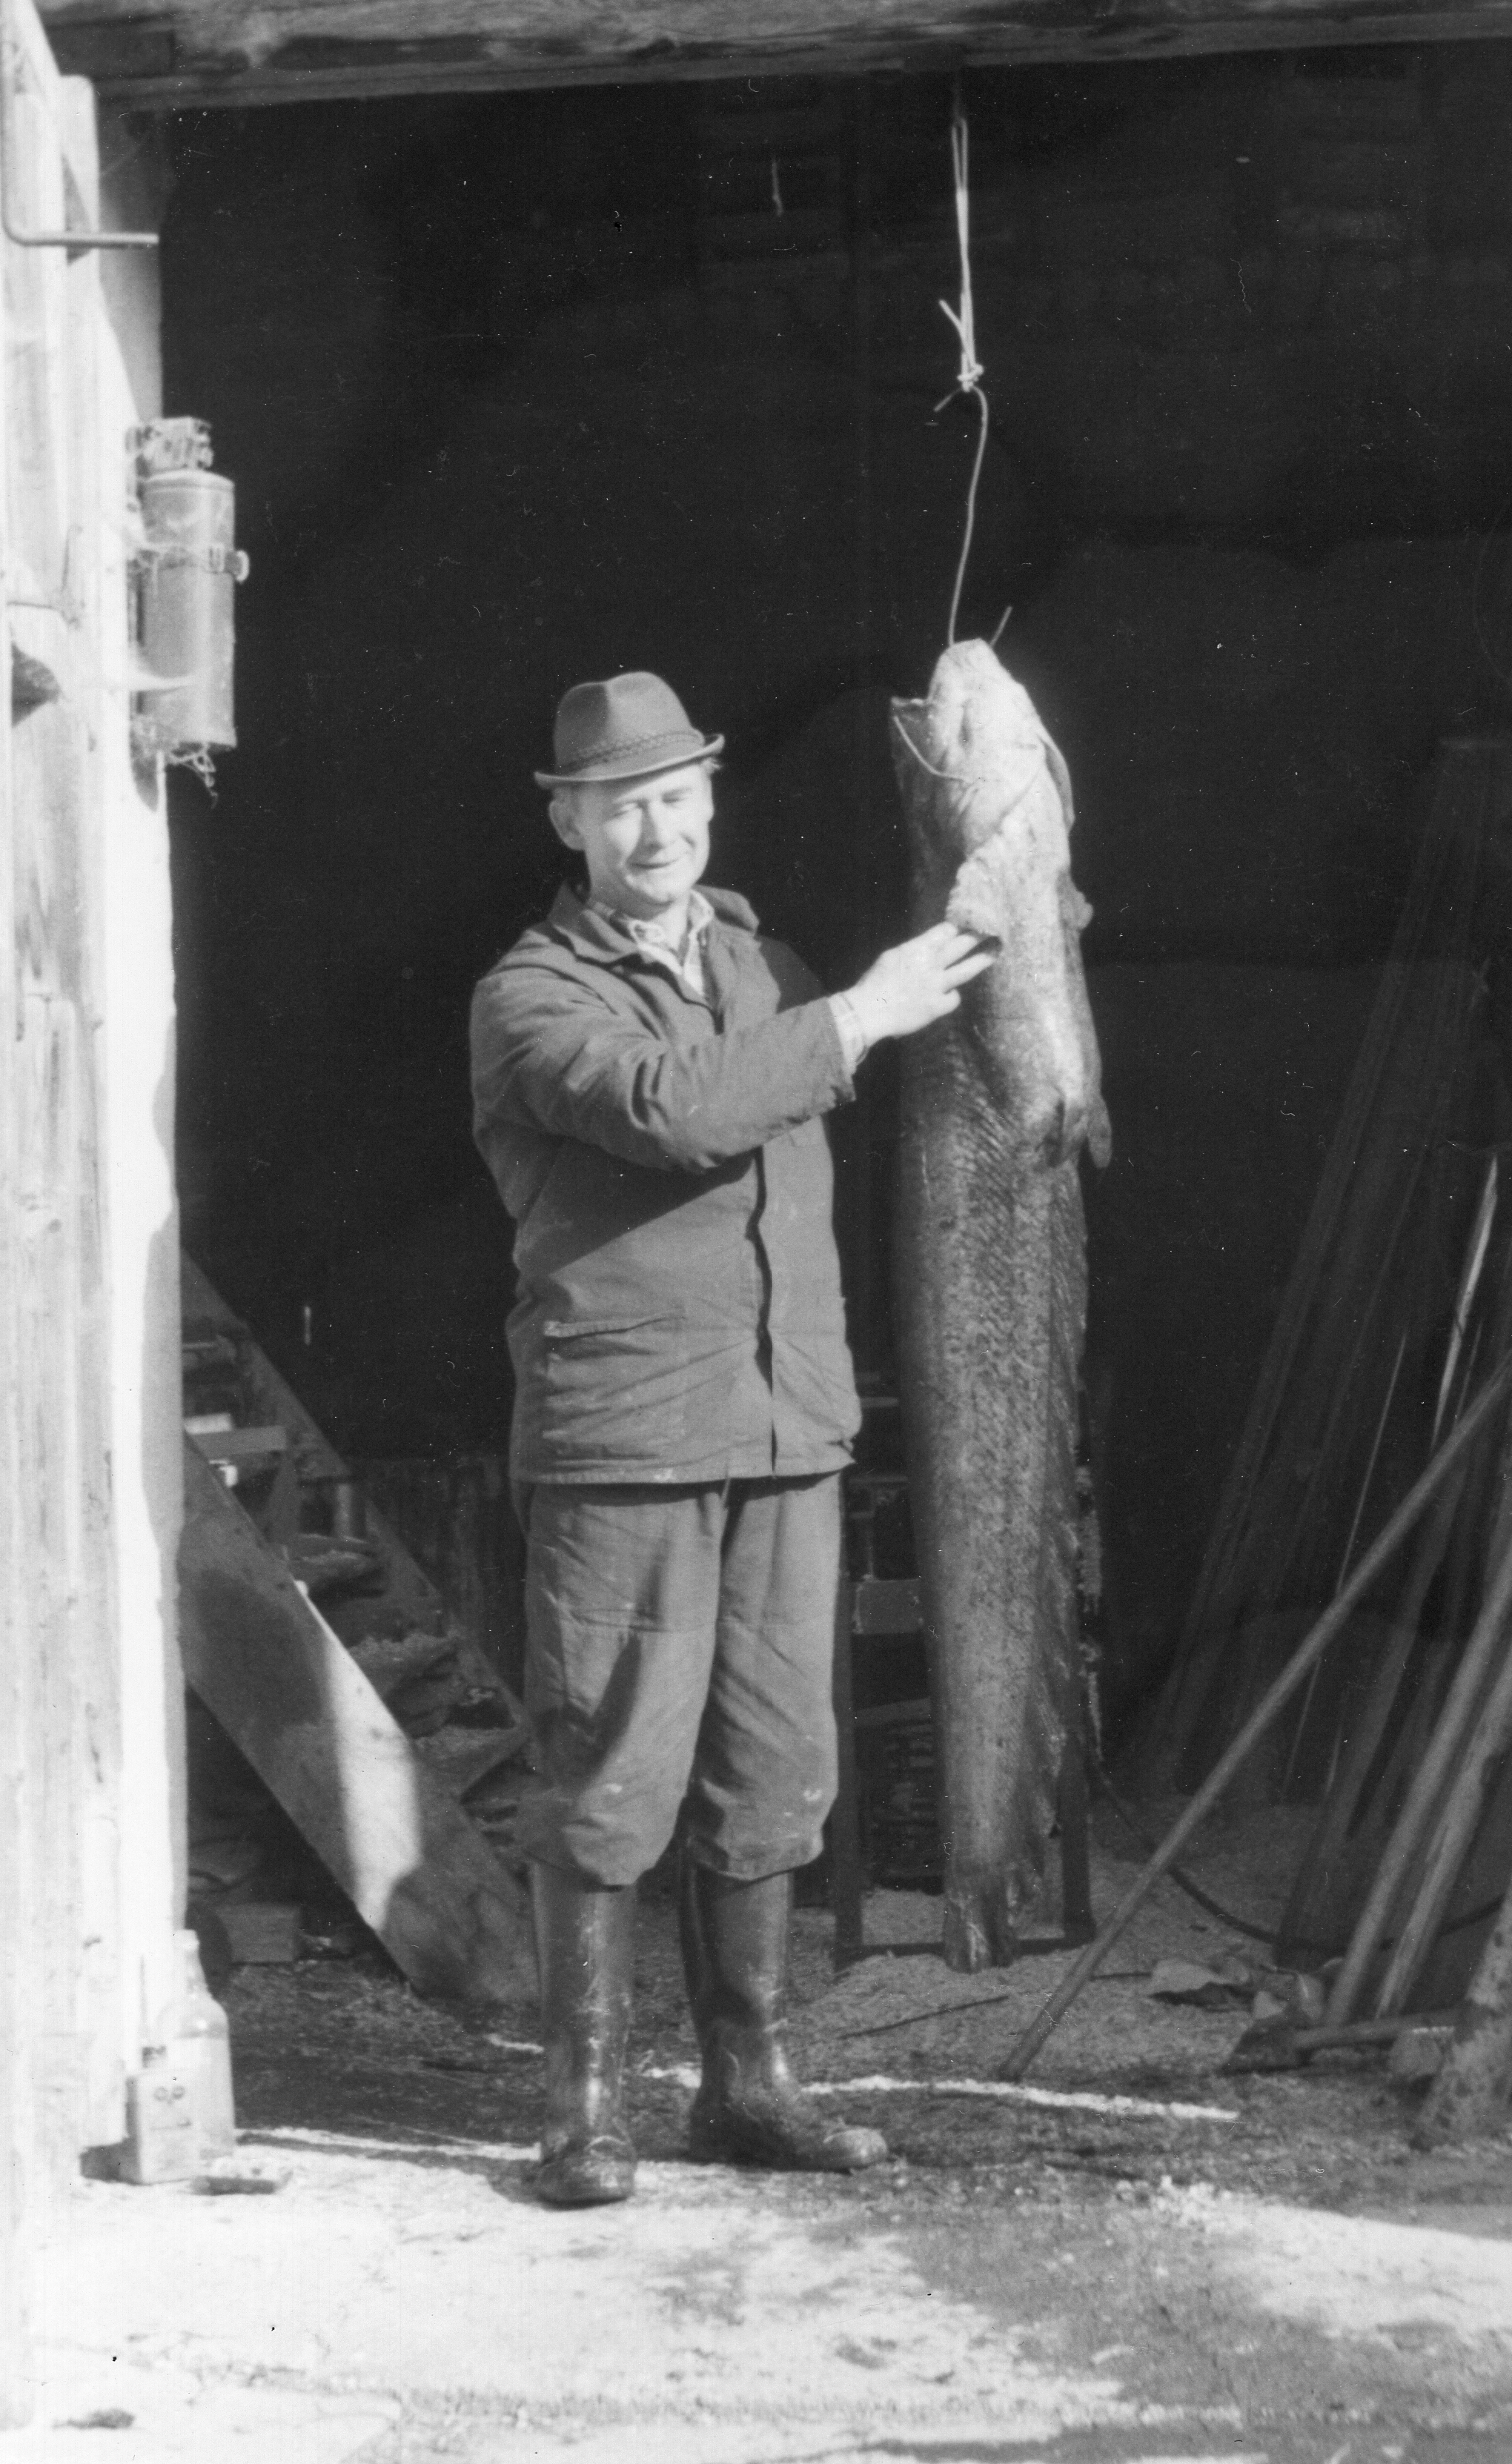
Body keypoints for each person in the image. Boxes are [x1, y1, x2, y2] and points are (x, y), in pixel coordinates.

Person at [468, 671, 992, 2208]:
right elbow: (673, 1109)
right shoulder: (531, 996)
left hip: (784, 1430)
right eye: (620, 806)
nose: (657, 830)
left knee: (774, 1767)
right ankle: (581, 2110)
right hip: (625, 1437)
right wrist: (865, 1013)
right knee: (609, 1771)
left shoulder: (769, 965)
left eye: (677, 797)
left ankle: (746, 2086)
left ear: (710, 801)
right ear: (568, 825)